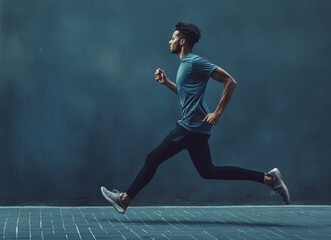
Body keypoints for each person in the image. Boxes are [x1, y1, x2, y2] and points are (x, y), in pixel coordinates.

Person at [100, 22, 290, 214]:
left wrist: (218, 112)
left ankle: (124, 199)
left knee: (153, 158)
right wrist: (167, 83)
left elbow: (230, 81)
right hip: (197, 128)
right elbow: (187, 95)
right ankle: (268, 179)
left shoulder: (194, 62)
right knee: (208, 171)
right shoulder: (185, 65)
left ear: (182, 41)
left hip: (190, 127)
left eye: (173, 38)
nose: (170, 41)